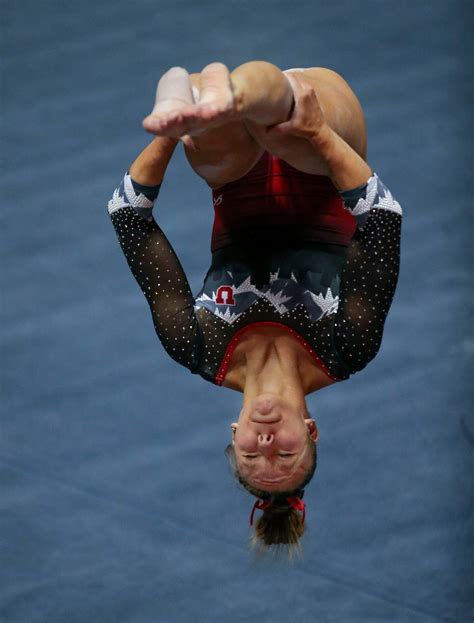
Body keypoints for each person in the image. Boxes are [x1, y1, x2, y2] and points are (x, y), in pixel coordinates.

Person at [107, 61, 402, 553]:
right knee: (285, 129)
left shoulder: (196, 345)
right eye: (285, 453)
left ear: (234, 432)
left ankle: (189, 102)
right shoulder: (346, 348)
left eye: (250, 456)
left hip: (234, 174)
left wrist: (168, 138)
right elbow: (382, 221)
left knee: (208, 137)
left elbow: (128, 216)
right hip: (325, 158)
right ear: (311, 430)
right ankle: (229, 92)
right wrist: (322, 133)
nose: (265, 444)